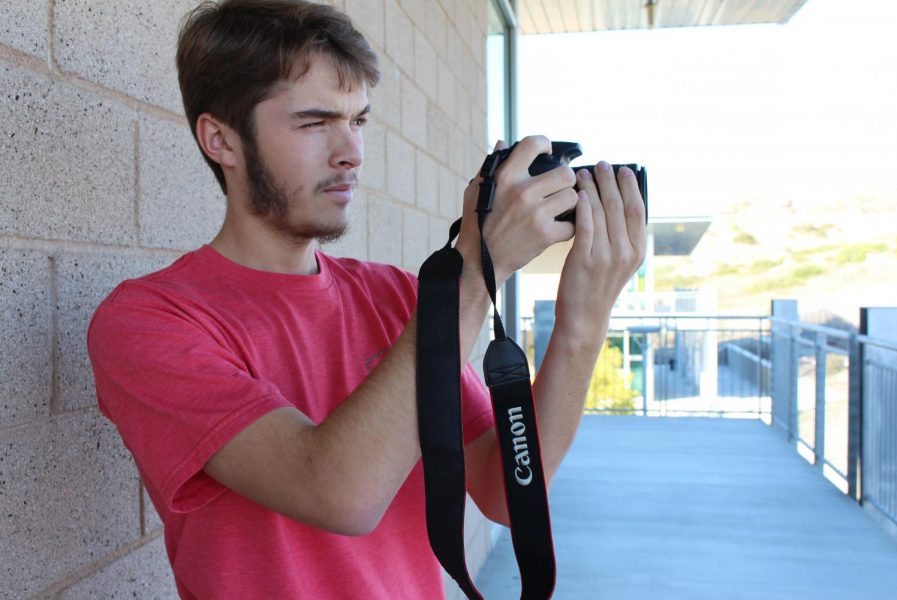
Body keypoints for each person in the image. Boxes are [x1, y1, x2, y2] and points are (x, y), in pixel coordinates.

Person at [87, 1, 646, 598]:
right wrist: (479, 271)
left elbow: (505, 491)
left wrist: (583, 319)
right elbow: (337, 494)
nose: (350, 151)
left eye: (358, 120)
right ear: (220, 139)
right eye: (314, 122)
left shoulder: (399, 296)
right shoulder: (149, 322)